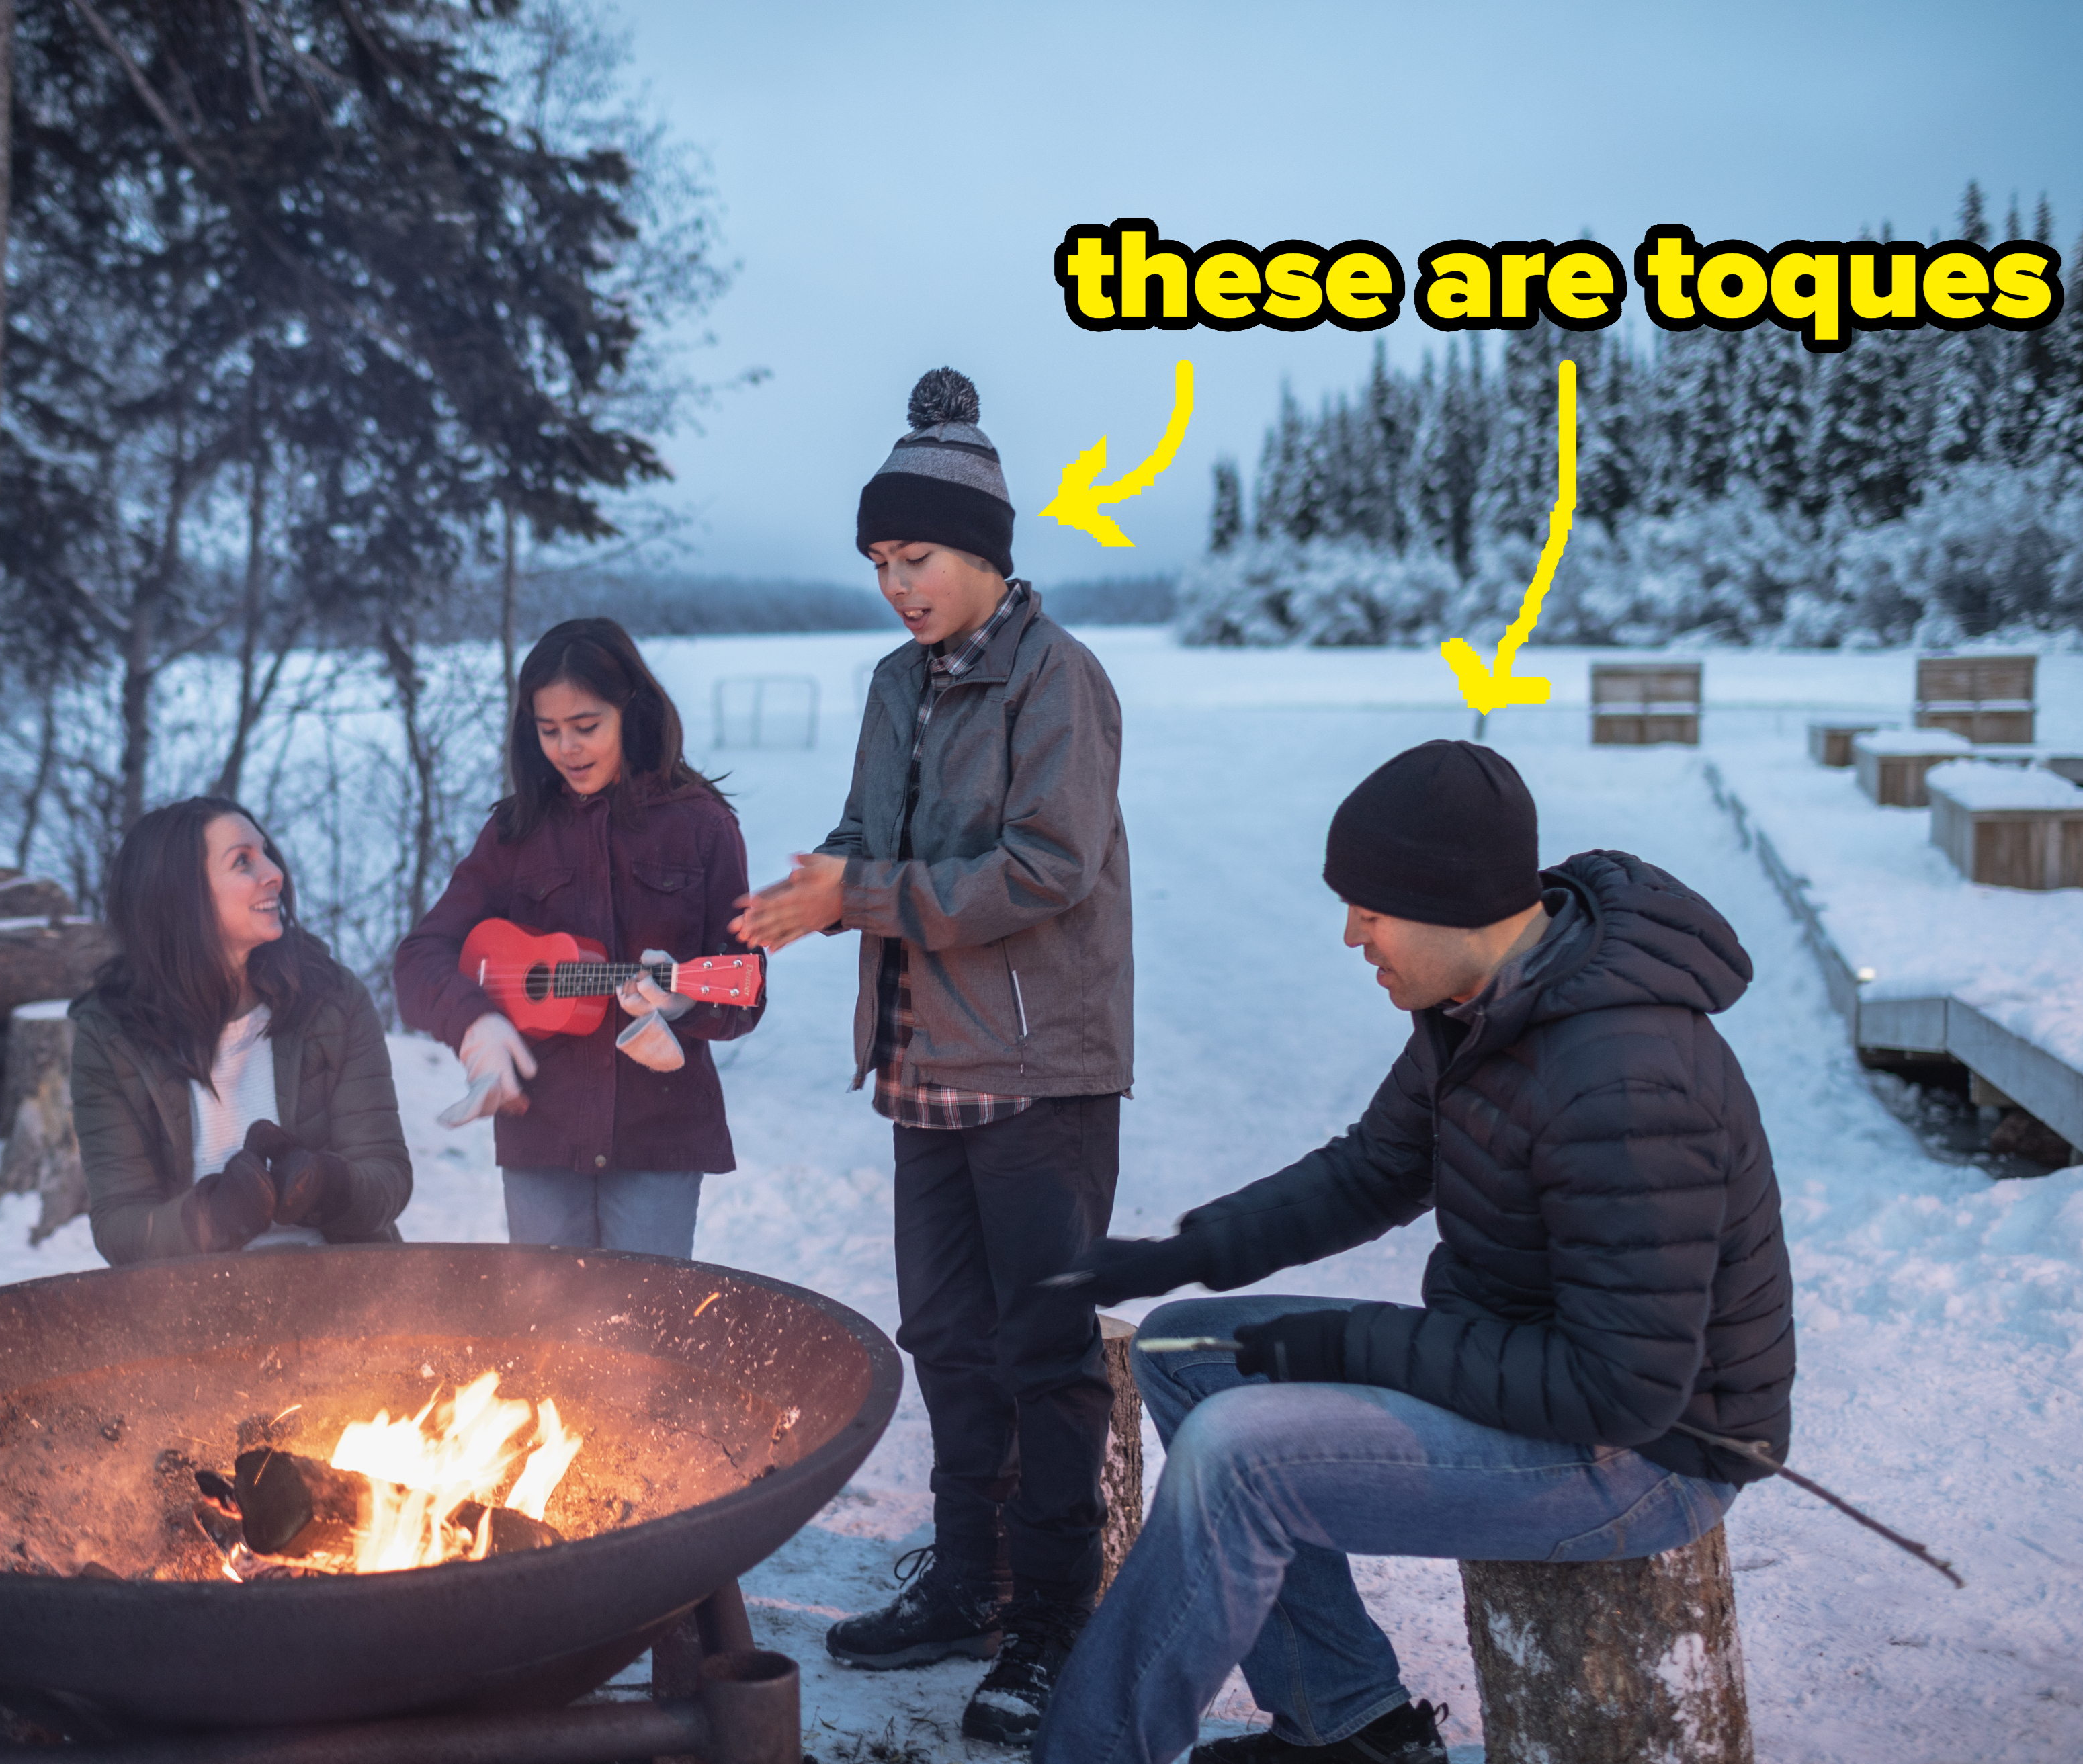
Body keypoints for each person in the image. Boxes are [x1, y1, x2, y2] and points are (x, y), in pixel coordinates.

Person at [1032, 741, 1796, 1764]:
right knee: (1182, 1353)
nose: (1351, 935)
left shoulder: (1623, 1079)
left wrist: (1349, 1341)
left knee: (1241, 1458)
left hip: (1645, 1457)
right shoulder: (1483, 1004)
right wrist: (1175, 1258)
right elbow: (1372, 1170)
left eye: (1372, 910)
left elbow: (1619, 1392)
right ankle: (1348, 1719)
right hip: (1527, 1370)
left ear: (1455, 903)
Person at [732, 368, 1133, 1748]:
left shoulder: (1058, 680)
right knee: (950, 1341)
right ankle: (966, 1585)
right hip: (918, 1062)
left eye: (916, 558)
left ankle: (1049, 1616)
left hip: (1038, 1073)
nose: (895, 586)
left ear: (985, 554)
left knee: (1048, 1351)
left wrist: (865, 893)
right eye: (878, 563)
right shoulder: (897, 686)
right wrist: (804, 893)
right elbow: (865, 830)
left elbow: (1047, 866)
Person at [392, 616, 760, 1257]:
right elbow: (419, 959)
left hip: (658, 1135)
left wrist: (684, 1002)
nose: (567, 749)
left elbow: (746, 992)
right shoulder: (513, 834)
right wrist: (476, 1025)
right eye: (548, 730)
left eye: (586, 726)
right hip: (542, 1135)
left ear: (632, 712)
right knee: (549, 1337)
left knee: (644, 1339)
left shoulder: (701, 827)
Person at [74, 797, 413, 1265]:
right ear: (180, 895)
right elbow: (119, 1224)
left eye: (267, 852)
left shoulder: (333, 999)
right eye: (242, 861)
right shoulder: (110, 1033)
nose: (274, 872)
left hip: (347, 1295)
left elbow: (387, 1175)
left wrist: (325, 1186)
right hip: (191, 1309)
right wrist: (214, 1216)